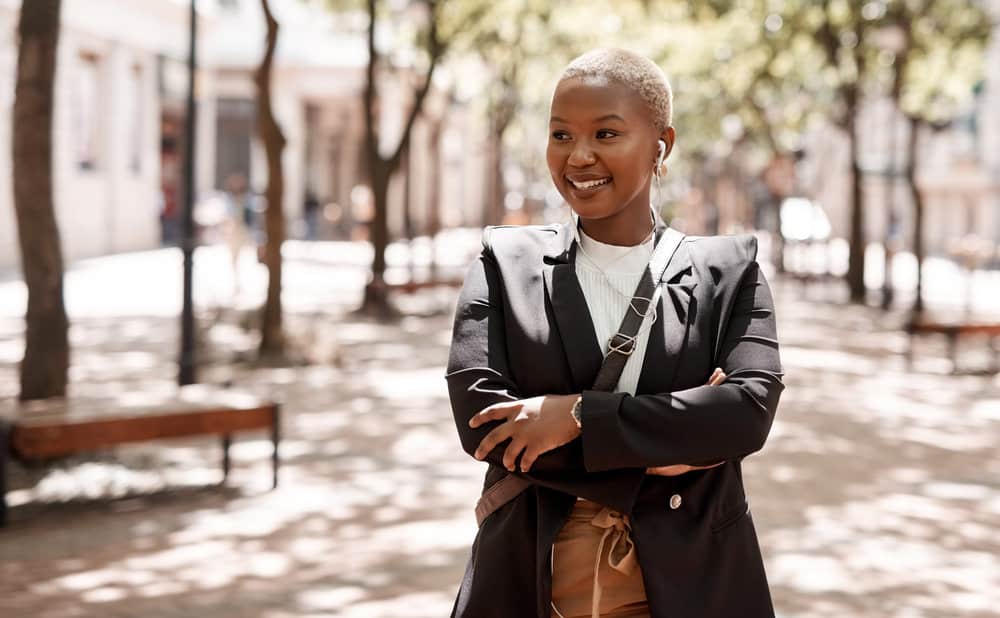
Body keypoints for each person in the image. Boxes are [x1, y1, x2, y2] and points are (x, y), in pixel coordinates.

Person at [445, 48, 784, 618]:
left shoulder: (729, 270)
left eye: (606, 133)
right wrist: (675, 442)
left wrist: (572, 416)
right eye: (560, 135)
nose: (578, 156)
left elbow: (747, 409)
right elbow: (483, 423)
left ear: (661, 146)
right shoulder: (506, 262)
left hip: (694, 584)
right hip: (533, 582)